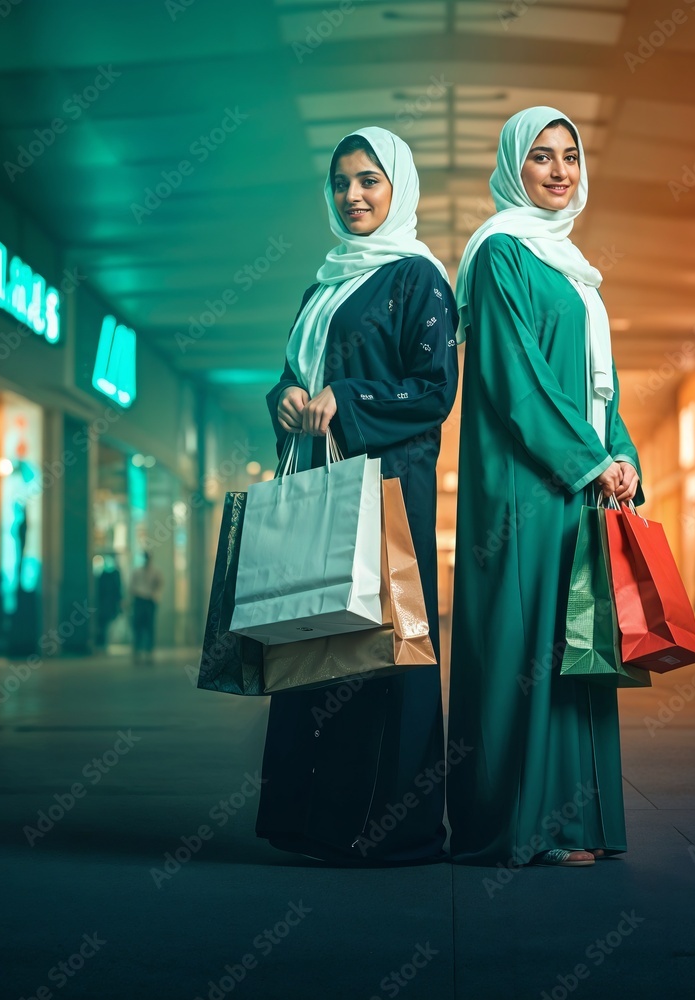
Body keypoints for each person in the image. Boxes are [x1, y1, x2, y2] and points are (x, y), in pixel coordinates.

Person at [445, 107, 643, 868]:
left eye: (570, 156)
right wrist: (589, 460)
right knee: (526, 647)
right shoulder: (501, 253)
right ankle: (520, 827)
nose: (560, 171)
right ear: (512, 167)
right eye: (541, 157)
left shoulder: (572, 266)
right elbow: (513, 376)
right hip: (522, 487)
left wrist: (620, 455)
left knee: (577, 646)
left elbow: (602, 390)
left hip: (577, 483)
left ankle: (577, 822)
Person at [256, 128, 458, 864]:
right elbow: (295, 371)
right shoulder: (324, 284)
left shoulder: (417, 277)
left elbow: (434, 391)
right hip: (321, 484)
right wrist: (285, 397)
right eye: (341, 182)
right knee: (316, 641)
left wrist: (346, 397)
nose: (353, 195)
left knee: (384, 647)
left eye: (369, 180)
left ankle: (391, 829)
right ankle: (313, 821)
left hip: (387, 489)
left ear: (398, 187)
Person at [129, 552, 162, 663]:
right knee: (138, 626)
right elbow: (132, 587)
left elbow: (159, 584)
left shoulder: (155, 572)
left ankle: (148, 651)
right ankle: (138, 650)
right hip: (140, 600)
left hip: (149, 600)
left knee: (149, 627)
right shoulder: (137, 571)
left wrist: (155, 596)